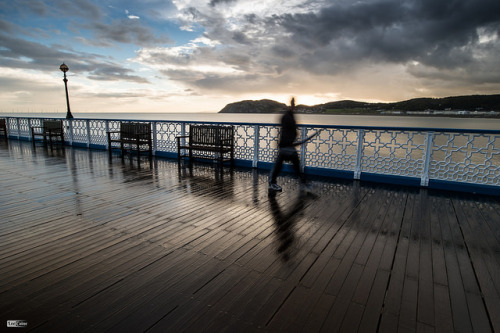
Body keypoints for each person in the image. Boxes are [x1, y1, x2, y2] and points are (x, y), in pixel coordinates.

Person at [269, 97, 307, 192]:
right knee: (285, 165)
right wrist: (290, 142)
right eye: (293, 105)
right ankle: (272, 183)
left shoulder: (290, 116)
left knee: (288, 164)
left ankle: (303, 182)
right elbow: (287, 132)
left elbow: (291, 131)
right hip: (286, 146)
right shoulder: (287, 117)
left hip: (287, 145)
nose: (294, 108)